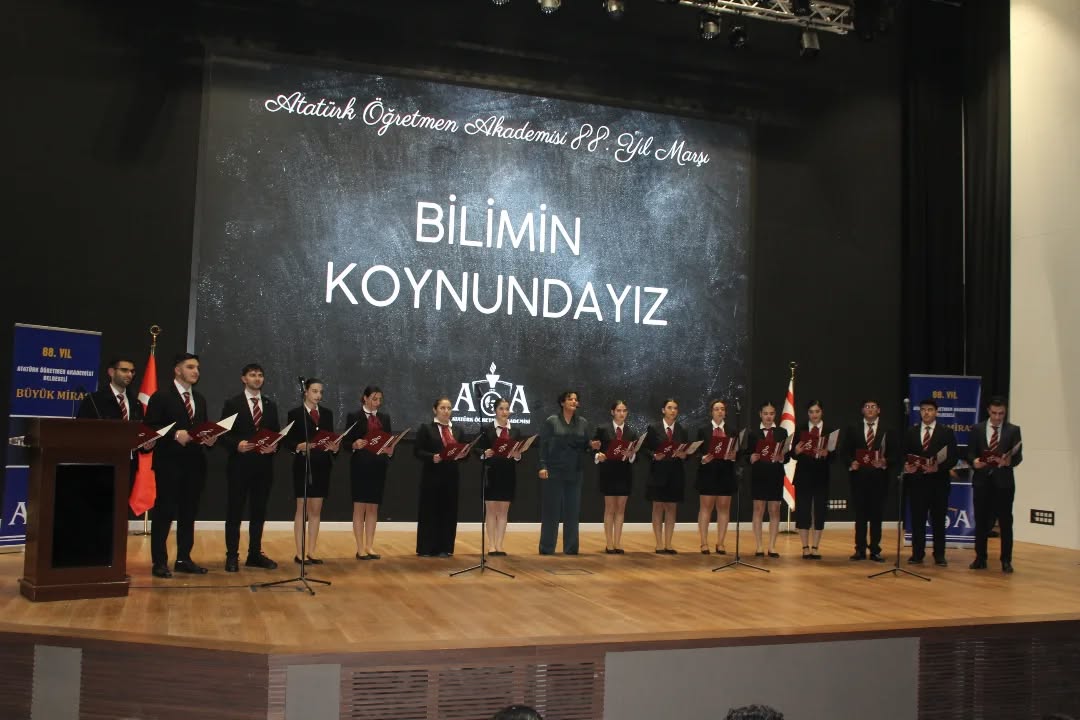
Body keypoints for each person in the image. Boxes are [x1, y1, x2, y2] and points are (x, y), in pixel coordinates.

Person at [144, 352, 217, 578]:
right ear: (177, 370)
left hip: (194, 465)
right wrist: (175, 434)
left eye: (197, 368)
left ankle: (184, 558)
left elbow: (201, 428)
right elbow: (150, 428)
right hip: (169, 464)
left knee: (188, 512)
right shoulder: (161, 396)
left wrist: (209, 439)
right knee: (164, 512)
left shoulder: (200, 399)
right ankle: (159, 562)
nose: (196, 371)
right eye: (190, 367)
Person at [218, 363, 280, 572]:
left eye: (260, 375)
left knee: (258, 512)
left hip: (263, 467)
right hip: (239, 466)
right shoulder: (232, 403)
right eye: (252, 375)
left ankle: (254, 554)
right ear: (243, 379)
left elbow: (276, 434)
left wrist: (274, 446)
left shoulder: (270, 405)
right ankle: (231, 556)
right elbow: (222, 434)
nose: (257, 378)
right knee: (234, 511)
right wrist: (237, 444)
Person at [285, 378, 339, 565]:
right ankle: (299, 553)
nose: (318, 395)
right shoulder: (295, 413)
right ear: (306, 392)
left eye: (321, 392)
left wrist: (334, 447)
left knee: (316, 510)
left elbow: (331, 437)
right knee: (302, 508)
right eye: (315, 391)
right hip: (303, 465)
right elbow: (288, 441)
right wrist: (298, 446)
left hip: (322, 465)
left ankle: (312, 551)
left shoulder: (327, 414)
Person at [968, 395, 1023, 573]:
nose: (998, 417)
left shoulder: (1013, 430)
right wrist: (974, 462)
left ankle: (1006, 560)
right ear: (988, 411)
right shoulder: (977, 429)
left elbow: (1018, 456)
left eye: (1001, 414)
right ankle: (980, 558)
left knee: (1005, 522)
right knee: (981, 521)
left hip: (1003, 483)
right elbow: (969, 453)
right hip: (982, 481)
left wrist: (1008, 461)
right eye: (994, 413)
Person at [537, 390, 596, 555]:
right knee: (551, 511)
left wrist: (593, 447)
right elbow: (543, 446)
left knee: (572, 511)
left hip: (575, 471)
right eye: (570, 399)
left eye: (576, 399)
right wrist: (542, 466)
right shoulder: (552, 421)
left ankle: (571, 548)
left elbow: (586, 445)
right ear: (562, 402)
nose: (574, 401)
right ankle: (547, 548)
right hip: (554, 470)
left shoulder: (583, 423)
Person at [902, 398, 958, 566]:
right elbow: (903, 454)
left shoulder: (946, 432)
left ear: (936, 412)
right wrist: (907, 466)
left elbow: (953, 458)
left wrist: (938, 468)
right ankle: (917, 554)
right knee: (917, 520)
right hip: (917, 483)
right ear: (920, 412)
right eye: (923, 410)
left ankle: (939, 555)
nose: (926, 413)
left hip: (938, 483)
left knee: (939, 521)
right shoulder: (911, 432)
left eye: (930, 410)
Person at [345, 385, 395, 561]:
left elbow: (389, 441)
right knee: (360, 507)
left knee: (373, 507)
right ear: (365, 398)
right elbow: (346, 442)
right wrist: (354, 444)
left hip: (378, 466)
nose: (377, 402)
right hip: (361, 466)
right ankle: (360, 548)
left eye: (380, 399)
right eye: (374, 399)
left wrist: (390, 450)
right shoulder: (354, 416)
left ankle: (369, 546)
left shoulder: (384, 418)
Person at [414, 396, 466, 557]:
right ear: (435, 410)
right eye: (442, 408)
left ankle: (445, 547)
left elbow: (466, 453)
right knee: (430, 510)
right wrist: (432, 457)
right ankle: (426, 547)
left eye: (449, 408)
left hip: (451, 476)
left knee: (449, 511)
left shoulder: (457, 430)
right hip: (432, 475)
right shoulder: (426, 428)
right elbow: (417, 451)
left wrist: (463, 455)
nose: (446, 411)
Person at [844, 399, 891, 562]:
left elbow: (895, 453)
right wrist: (851, 462)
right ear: (862, 410)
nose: (870, 409)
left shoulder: (888, 429)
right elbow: (844, 452)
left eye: (873, 407)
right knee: (860, 516)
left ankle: (875, 550)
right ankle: (860, 549)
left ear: (879, 410)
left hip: (879, 479)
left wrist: (885, 462)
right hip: (859, 479)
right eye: (867, 407)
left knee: (877, 516)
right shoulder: (853, 429)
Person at [475, 397, 523, 556]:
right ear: (495, 410)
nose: (504, 412)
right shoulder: (486, 429)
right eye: (501, 408)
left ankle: (500, 545)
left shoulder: (515, 431)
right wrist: (484, 452)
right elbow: (476, 449)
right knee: (491, 510)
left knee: (503, 511)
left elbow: (519, 454)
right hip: (491, 473)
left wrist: (517, 455)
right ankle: (491, 545)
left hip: (508, 473)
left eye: (507, 409)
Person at [791, 400, 836, 559]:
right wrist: (796, 451)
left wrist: (827, 454)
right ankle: (805, 547)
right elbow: (792, 454)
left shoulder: (830, 431)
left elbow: (835, 457)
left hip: (821, 476)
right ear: (808, 413)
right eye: (811, 412)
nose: (814, 414)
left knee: (819, 511)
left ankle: (816, 547)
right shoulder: (801, 428)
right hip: (803, 475)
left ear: (822, 412)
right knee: (803, 511)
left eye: (817, 411)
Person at [644, 398, 690, 554]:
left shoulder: (682, 430)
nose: (673, 411)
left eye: (675, 408)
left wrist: (684, 455)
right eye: (670, 408)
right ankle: (659, 543)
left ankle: (668, 544)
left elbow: (687, 451)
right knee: (657, 507)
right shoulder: (653, 428)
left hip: (675, 473)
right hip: (658, 472)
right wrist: (653, 455)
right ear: (663, 410)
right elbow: (645, 449)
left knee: (671, 508)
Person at [593, 400, 638, 554]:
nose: (621, 413)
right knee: (610, 508)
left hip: (624, 473)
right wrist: (598, 455)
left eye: (624, 410)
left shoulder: (631, 432)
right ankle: (609, 544)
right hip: (608, 472)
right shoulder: (603, 429)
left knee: (621, 509)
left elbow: (636, 455)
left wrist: (631, 455)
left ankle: (618, 543)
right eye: (618, 410)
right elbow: (594, 448)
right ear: (612, 412)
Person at [743, 401, 788, 558]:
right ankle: (759, 546)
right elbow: (745, 455)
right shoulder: (753, 433)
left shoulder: (782, 432)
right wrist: (751, 457)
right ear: (760, 414)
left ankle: (772, 546)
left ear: (775, 414)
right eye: (766, 413)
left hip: (776, 475)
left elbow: (788, 455)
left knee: (774, 510)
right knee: (758, 509)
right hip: (759, 475)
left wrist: (782, 457)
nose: (769, 417)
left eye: (771, 413)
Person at [696, 399, 738, 555]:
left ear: (725, 412)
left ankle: (720, 543)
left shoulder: (732, 431)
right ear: (711, 412)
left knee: (724, 508)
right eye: (716, 409)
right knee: (706, 508)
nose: (720, 411)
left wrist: (734, 456)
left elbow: (738, 452)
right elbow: (696, 452)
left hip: (726, 473)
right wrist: (703, 458)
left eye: (722, 409)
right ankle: (704, 542)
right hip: (708, 473)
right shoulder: (703, 430)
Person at [77, 356, 145, 423]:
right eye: (124, 370)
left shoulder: (136, 404)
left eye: (132, 371)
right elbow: (82, 427)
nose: (130, 375)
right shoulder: (94, 401)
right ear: (111, 372)